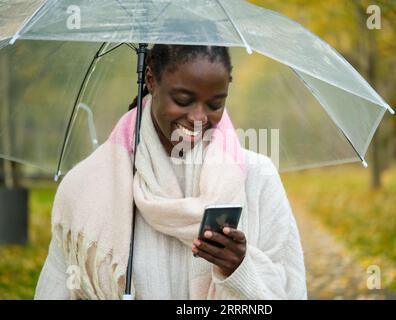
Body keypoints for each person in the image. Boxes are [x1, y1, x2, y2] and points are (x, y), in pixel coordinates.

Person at [34, 44, 307, 300]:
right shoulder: (87, 187)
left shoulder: (258, 177)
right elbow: (57, 288)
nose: (199, 117)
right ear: (151, 80)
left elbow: (291, 289)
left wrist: (240, 269)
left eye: (215, 104)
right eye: (183, 99)